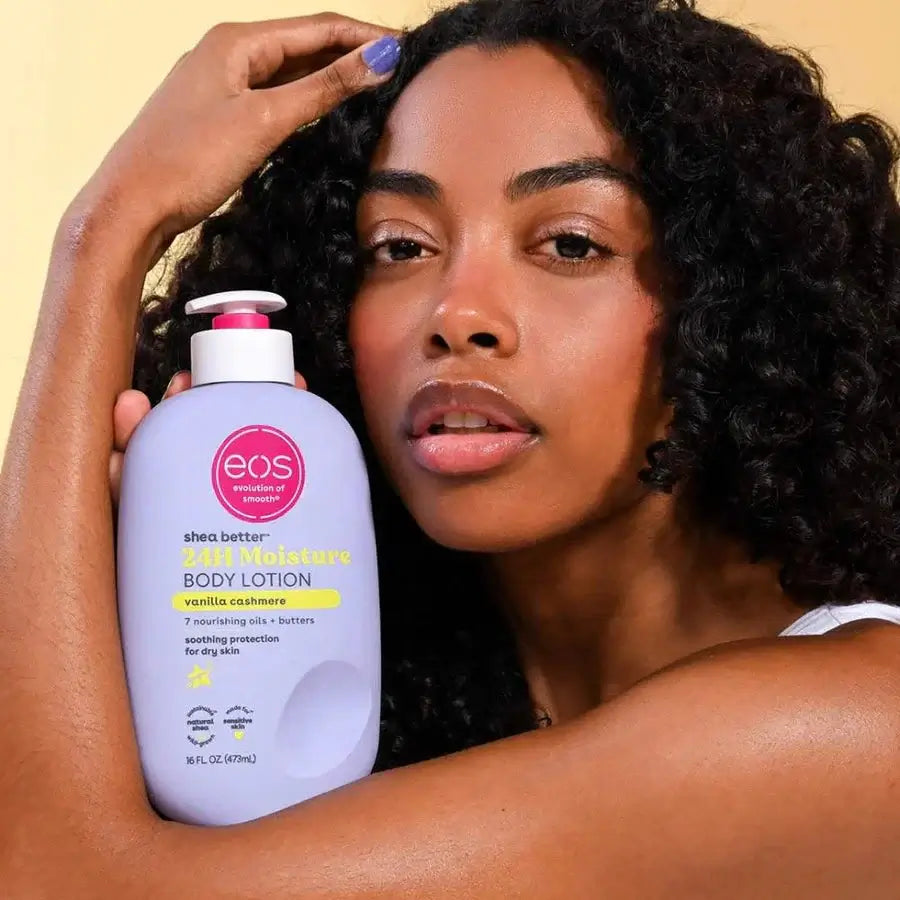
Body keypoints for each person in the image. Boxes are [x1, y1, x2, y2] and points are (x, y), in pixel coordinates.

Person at [2, 0, 900, 895]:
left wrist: (107, 233)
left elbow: (65, 880)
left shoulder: (856, 723)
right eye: (399, 247)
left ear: (733, 304)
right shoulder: (439, 700)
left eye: (571, 242)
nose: (457, 315)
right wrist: (152, 602)